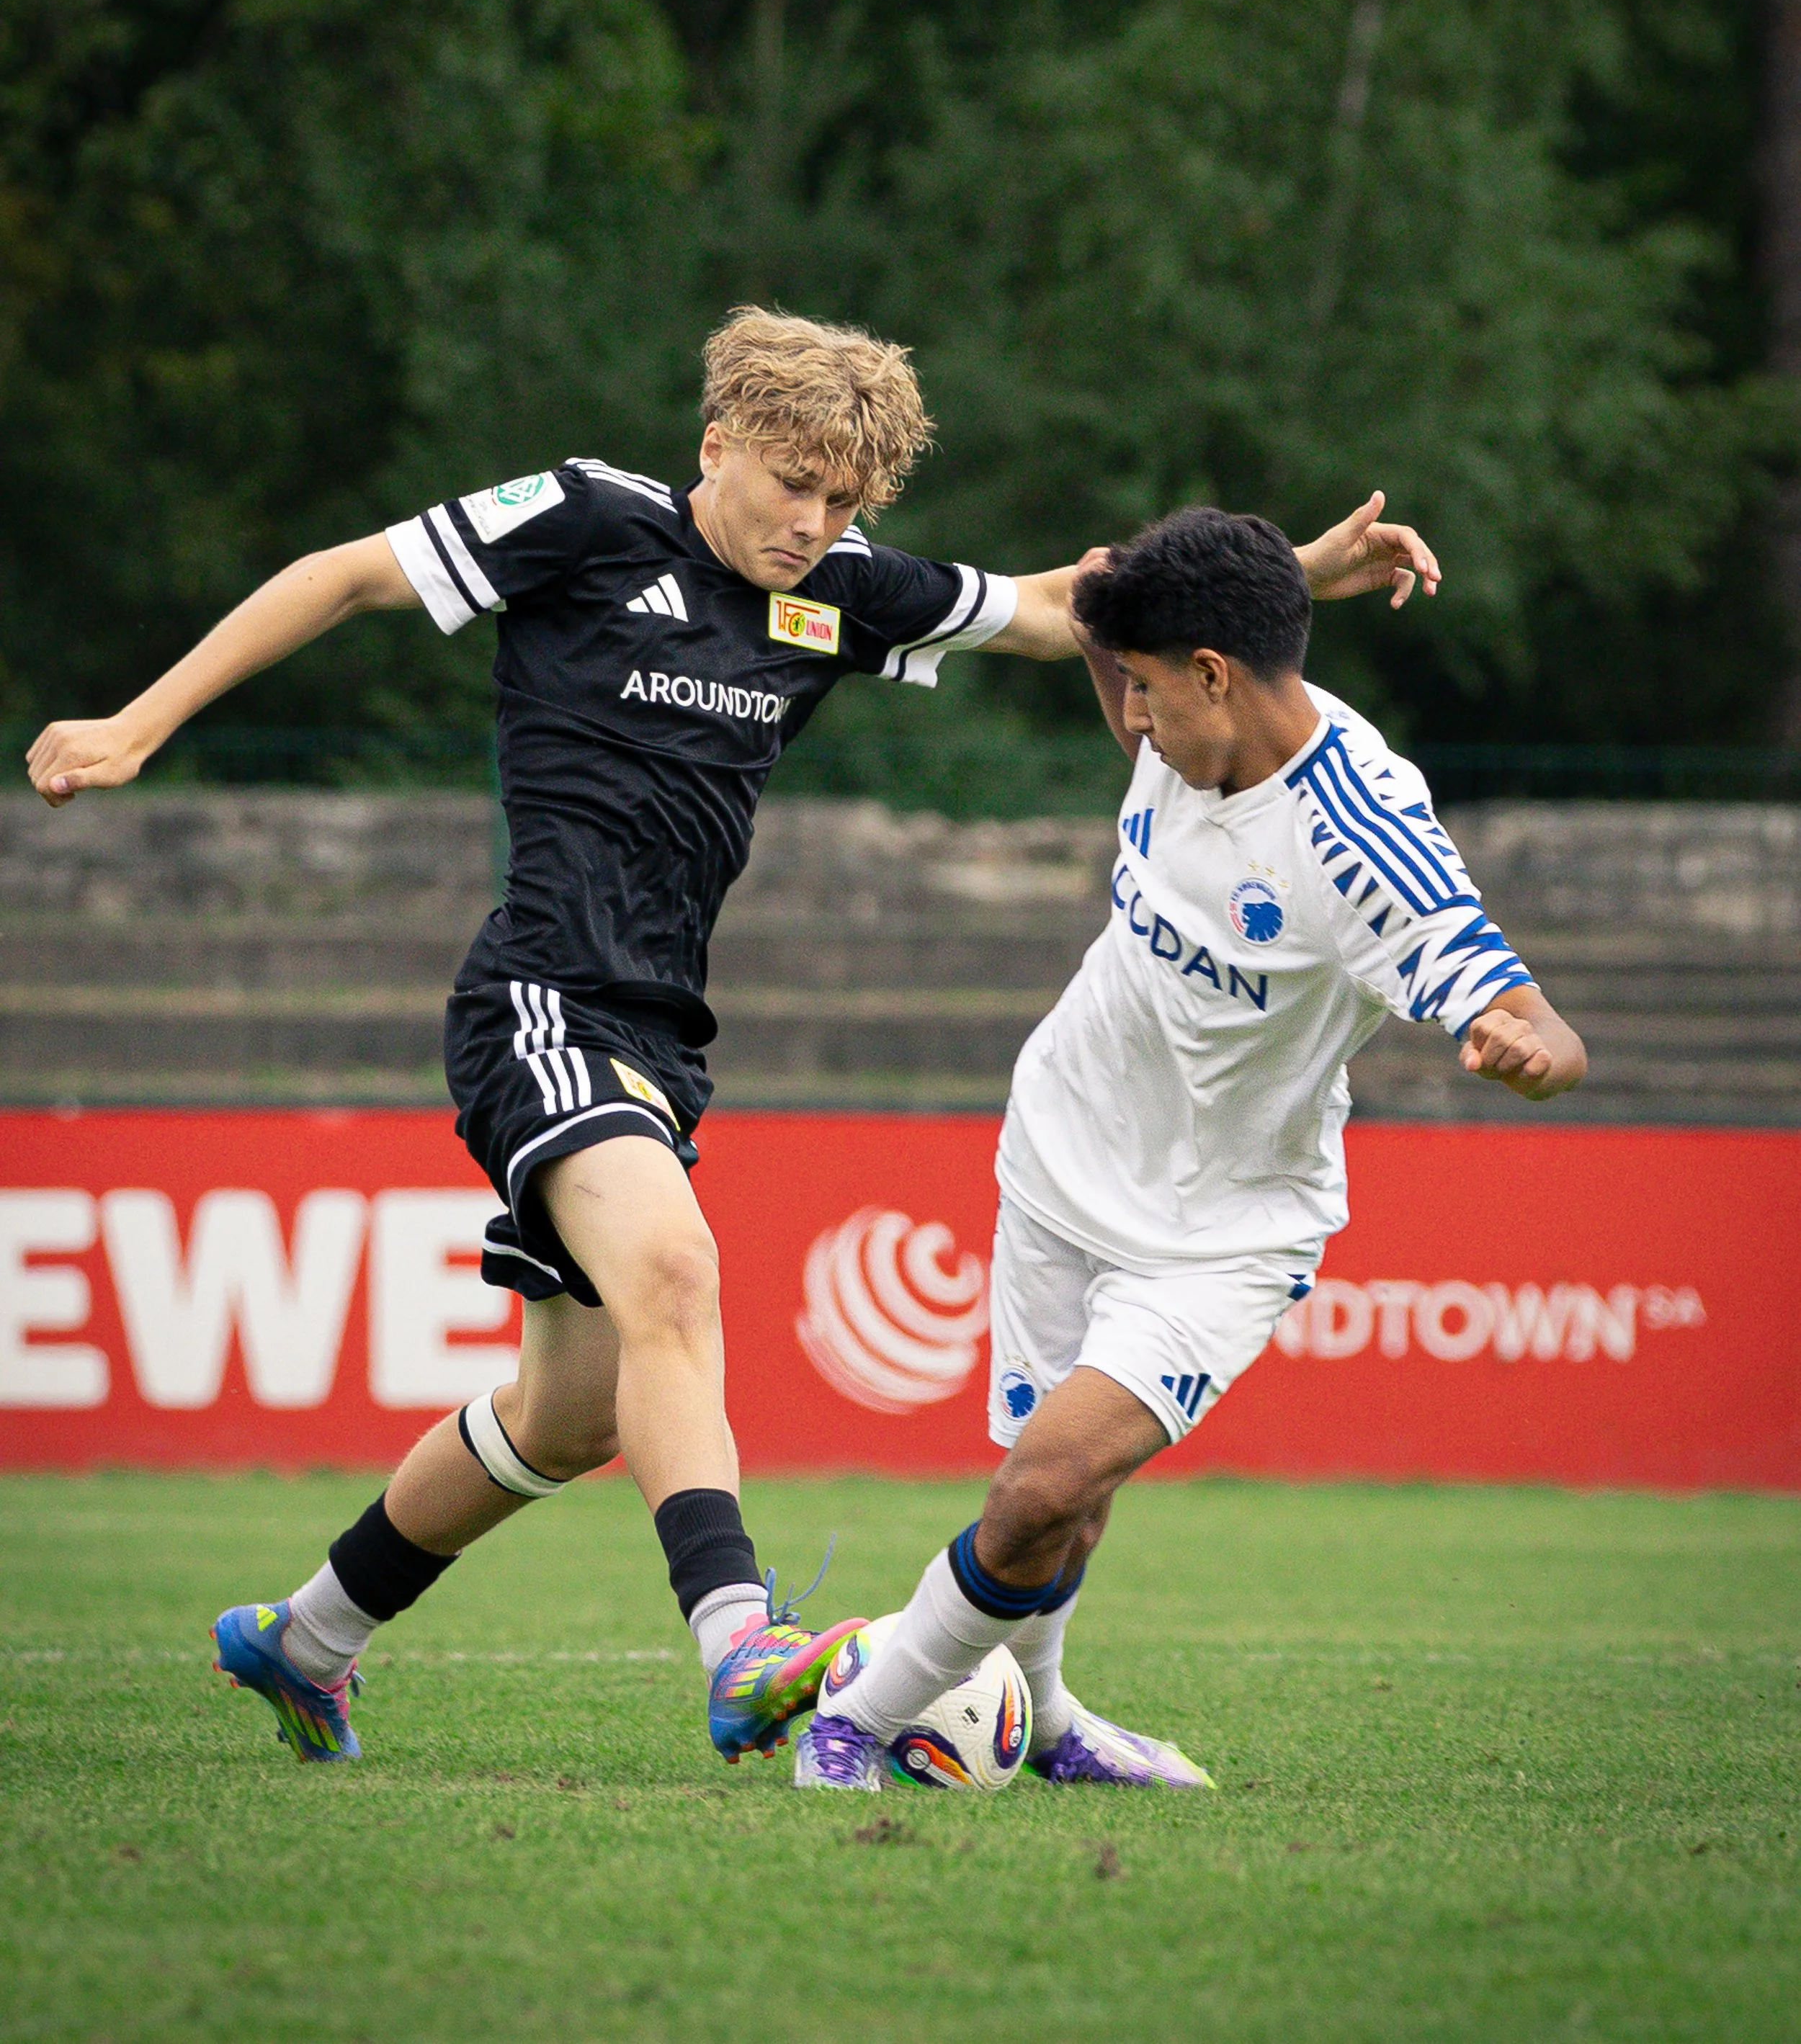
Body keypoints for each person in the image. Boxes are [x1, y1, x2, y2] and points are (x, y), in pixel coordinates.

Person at [27, 309, 1439, 1770]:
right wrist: (140, 722)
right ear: (716, 447)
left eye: (841, 502)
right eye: (788, 485)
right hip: (542, 999)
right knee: (680, 1269)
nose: (810, 524)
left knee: (568, 1416)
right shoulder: (583, 519)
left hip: (661, 1035)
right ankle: (741, 1641)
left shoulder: (832, 590)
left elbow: (1053, 605)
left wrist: (1283, 584)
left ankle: (304, 1636)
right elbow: (342, 577)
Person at [795, 505, 1586, 1790]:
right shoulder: (1182, 696)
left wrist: (1526, 1052)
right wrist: (1303, 573)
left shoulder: (1363, 839)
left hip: (1223, 1229)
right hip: (1059, 1156)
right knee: (1066, 1502)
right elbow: (1105, 583)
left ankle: (856, 1723)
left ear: (1216, 675)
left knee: (1039, 1488)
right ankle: (1048, 1728)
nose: (1134, 724)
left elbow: (1545, 1028)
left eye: (1155, 696)